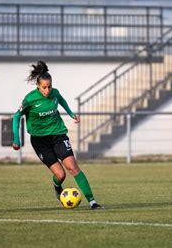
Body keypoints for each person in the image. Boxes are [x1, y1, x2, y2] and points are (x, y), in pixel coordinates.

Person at [12, 61, 104, 210]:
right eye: (44, 87)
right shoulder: (30, 99)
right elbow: (16, 117)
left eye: (49, 86)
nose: (47, 90)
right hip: (40, 141)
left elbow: (61, 100)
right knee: (61, 175)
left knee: (73, 167)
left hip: (58, 135)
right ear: (38, 86)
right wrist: (16, 139)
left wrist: (71, 114)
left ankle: (93, 202)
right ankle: (57, 186)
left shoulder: (55, 93)